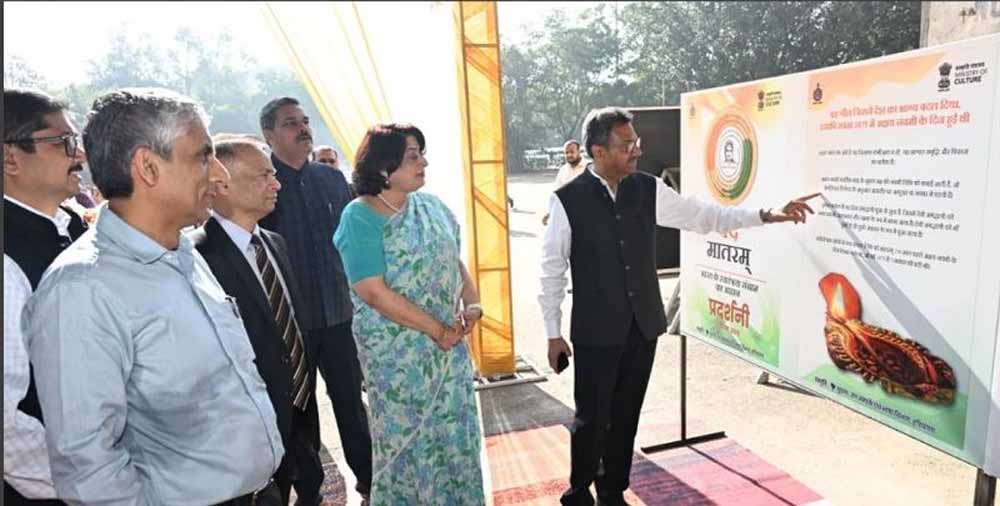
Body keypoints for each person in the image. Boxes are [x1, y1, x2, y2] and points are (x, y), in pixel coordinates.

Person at [539, 107, 818, 506]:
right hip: (595, 331)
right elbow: (551, 271)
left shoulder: (648, 189)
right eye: (627, 144)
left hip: (642, 327)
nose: (637, 150)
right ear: (599, 151)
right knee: (592, 417)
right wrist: (553, 333)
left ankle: (612, 490)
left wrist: (767, 215)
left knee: (626, 414)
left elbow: (703, 216)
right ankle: (579, 491)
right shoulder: (567, 200)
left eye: (636, 141)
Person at [23, 88, 284, 505]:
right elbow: (89, 469)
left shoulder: (184, 253)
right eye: (203, 156)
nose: (219, 175)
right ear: (147, 167)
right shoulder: (82, 289)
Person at [333, 124, 485, 504]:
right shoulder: (359, 217)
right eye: (413, 157)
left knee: (454, 437)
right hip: (398, 361)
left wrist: (472, 303)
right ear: (383, 167)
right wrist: (437, 330)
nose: (424, 163)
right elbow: (373, 291)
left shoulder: (431, 207)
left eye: (422, 154)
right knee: (409, 444)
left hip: (448, 354)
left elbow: (453, 261)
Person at [190, 136, 324, 506]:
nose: (276, 183)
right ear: (222, 184)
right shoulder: (197, 257)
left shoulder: (275, 243)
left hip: (299, 409)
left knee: (307, 485)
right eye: (264, 175)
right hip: (248, 424)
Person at [258, 97, 373, 499]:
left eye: (305, 121)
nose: (303, 128)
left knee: (351, 404)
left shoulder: (332, 180)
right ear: (269, 135)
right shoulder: (262, 185)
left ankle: (369, 479)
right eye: (291, 123)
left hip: (339, 314)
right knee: (300, 414)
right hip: (290, 323)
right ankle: (310, 491)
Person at [3, 89, 88, 506]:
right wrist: (84, 486)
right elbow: (7, 422)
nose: (80, 156)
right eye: (63, 143)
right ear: (10, 158)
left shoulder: (72, 228)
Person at [542, 139, 587, 225]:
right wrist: (549, 212)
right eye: (566, 153)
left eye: (572, 152)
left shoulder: (588, 167)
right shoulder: (563, 170)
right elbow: (556, 193)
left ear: (579, 151)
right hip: (567, 215)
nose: (569, 155)